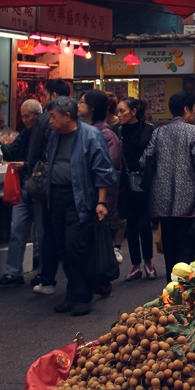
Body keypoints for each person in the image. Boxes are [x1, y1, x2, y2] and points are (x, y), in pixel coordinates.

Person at [46, 97, 117, 316]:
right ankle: (72, 294)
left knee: (75, 245)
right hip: (56, 196)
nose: (50, 121)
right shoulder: (54, 135)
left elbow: (103, 171)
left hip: (80, 197)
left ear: (67, 116)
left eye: (53, 116)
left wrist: (101, 202)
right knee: (61, 247)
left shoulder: (90, 135)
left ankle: (84, 295)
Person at [140, 92, 195, 281]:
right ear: (187, 109)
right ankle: (184, 285)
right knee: (186, 246)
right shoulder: (194, 132)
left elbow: (145, 159)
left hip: (161, 200)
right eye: (194, 109)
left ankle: (171, 284)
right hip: (187, 199)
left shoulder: (159, 131)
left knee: (169, 245)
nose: (194, 113)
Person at [26, 78, 72, 296]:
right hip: (68, 186)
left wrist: (31, 179)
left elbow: (34, 153)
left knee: (49, 233)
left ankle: (47, 278)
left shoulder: (44, 120)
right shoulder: (76, 120)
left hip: (50, 184)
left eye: (45, 95)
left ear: (53, 96)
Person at [77, 90, 123, 295]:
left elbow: (108, 167)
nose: (78, 105)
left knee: (98, 239)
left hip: (98, 196)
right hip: (85, 195)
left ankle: (102, 279)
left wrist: (102, 200)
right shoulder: (81, 130)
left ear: (93, 107)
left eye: (82, 101)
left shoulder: (105, 134)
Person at [0, 99, 43, 287]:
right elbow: (12, 151)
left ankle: (44, 273)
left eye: (27, 116)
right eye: (22, 116)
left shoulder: (47, 133)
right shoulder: (25, 133)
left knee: (42, 231)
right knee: (17, 230)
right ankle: (14, 272)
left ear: (37, 114)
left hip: (38, 189)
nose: (24, 120)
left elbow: (48, 161)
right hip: (24, 187)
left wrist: (25, 165)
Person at [116, 97, 155, 282]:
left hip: (144, 181)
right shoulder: (119, 131)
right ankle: (135, 265)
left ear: (133, 111)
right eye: (118, 111)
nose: (119, 114)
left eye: (123, 111)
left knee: (144, 223)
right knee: (130, 223)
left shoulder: (149, 130)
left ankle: (148, 261)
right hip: (126, 181)